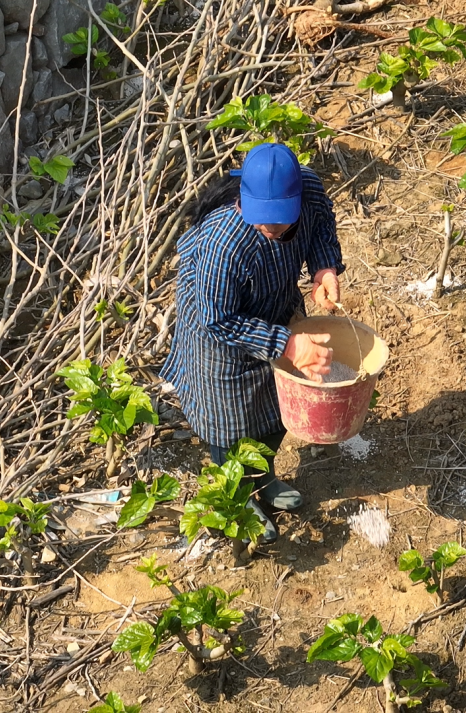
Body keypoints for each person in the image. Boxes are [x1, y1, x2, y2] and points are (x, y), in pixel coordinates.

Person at [159, 142, 344, 544]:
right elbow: (217, 319)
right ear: (243, 196)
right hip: (218, 337)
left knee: (277, 408)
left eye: (279, 221)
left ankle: (265, 478)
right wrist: (290, 345)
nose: (269, 228)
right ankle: (240, 499)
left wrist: (324, 268)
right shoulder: (223, 243)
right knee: (230, 426)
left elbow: (321, 225)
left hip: (274, 304)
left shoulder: (308, 190)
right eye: (261, 219)